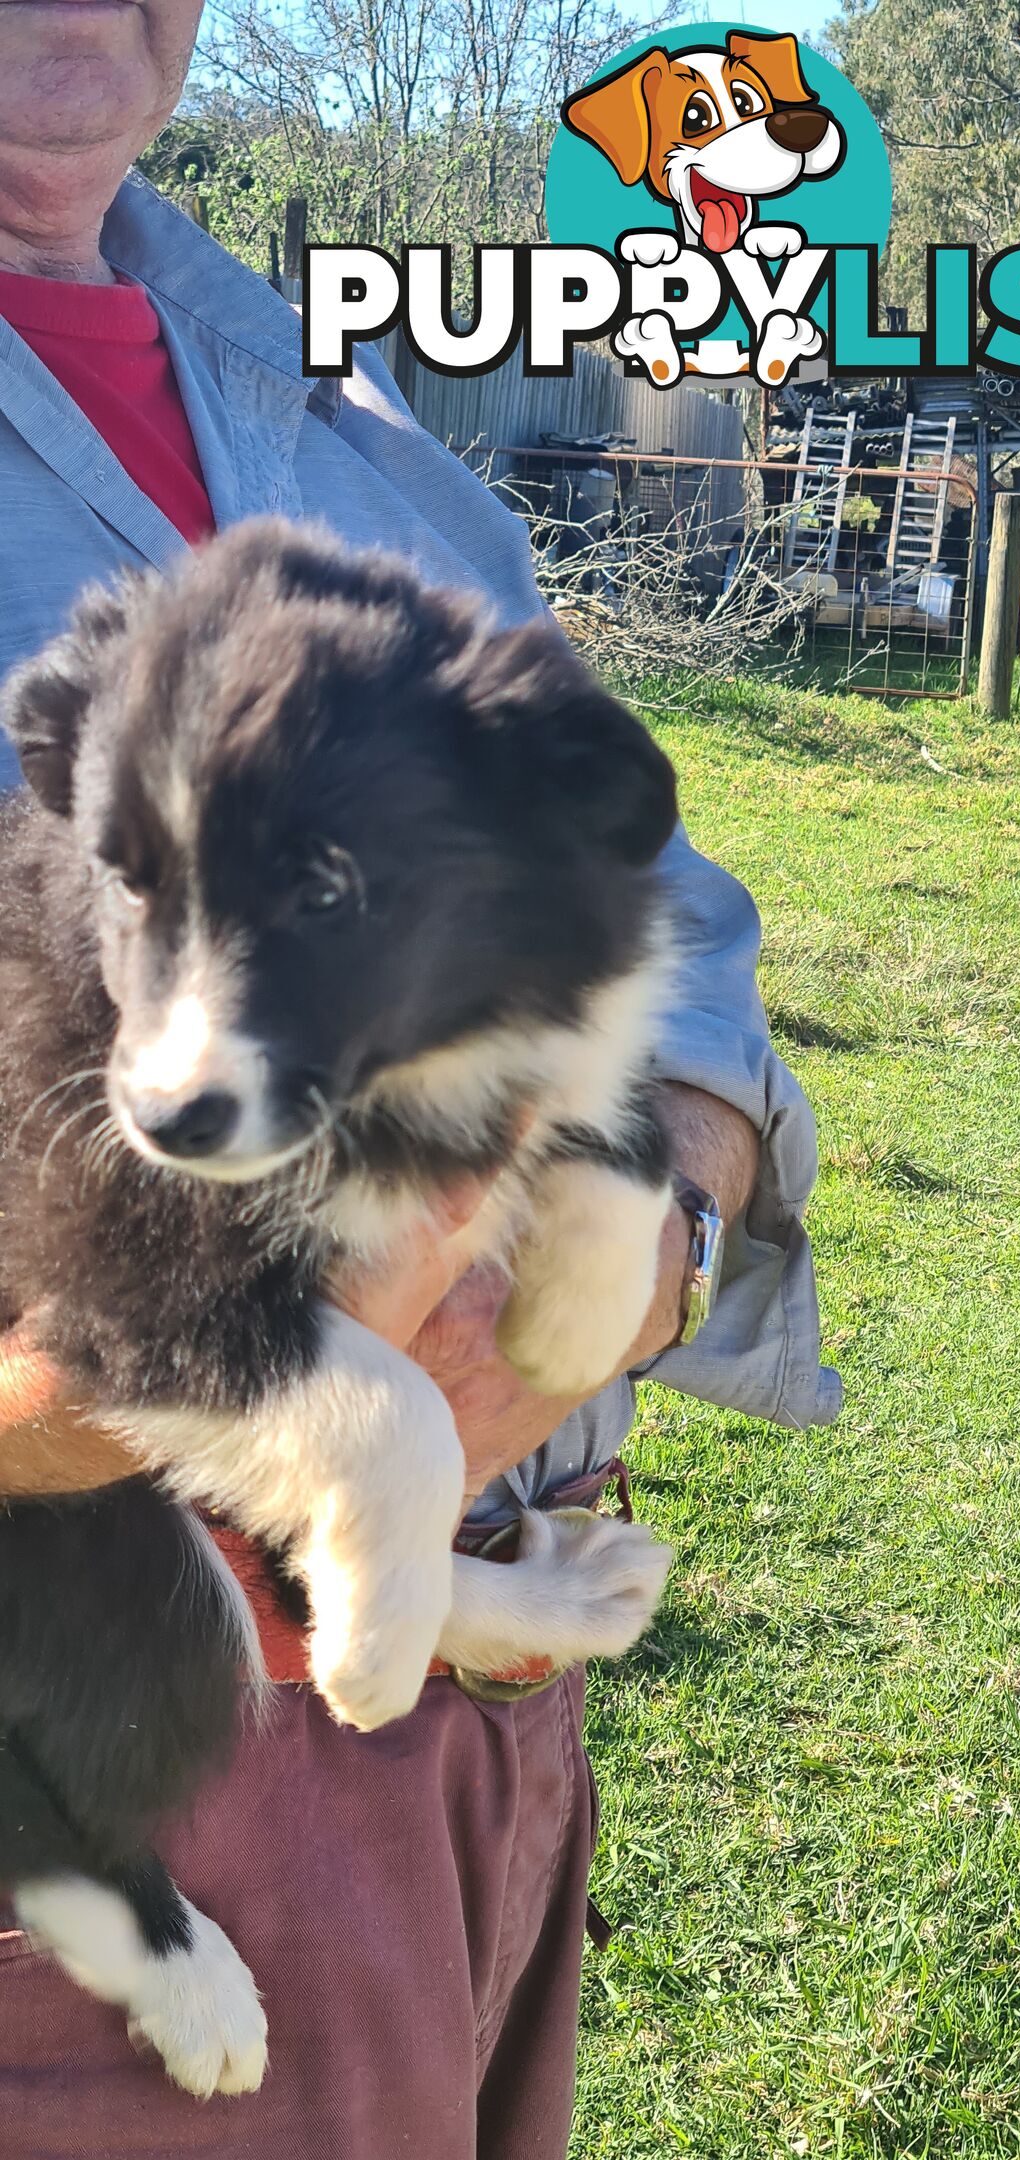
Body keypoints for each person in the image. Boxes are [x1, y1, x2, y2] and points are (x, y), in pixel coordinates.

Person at [0, 0, 840, 2153]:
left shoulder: (357, 430)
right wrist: (87, 1417)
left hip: (483, 1694)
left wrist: (669, 1195)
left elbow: (647, 883)